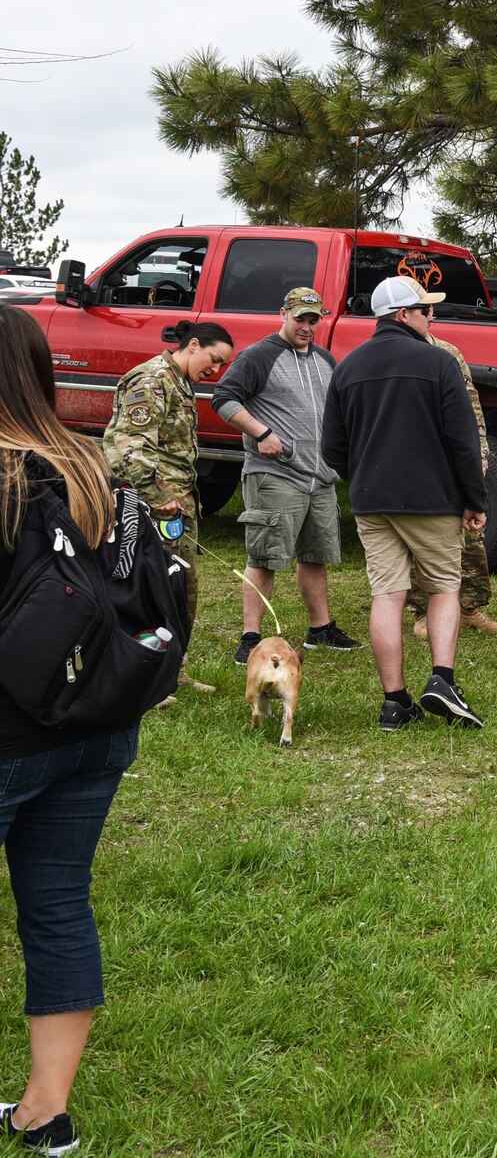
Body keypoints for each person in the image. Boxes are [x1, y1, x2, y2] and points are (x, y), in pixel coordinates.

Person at [0, 306, 143, 1157]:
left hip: (11, 733)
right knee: (57, 905)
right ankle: (45, 1113)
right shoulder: (89, 463)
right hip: (95, 724)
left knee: (57, 905)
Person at [321, 276, 488, 730]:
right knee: (443, 588)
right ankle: (443, 679)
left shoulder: (347, 367)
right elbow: (463, 441)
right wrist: (474, 497)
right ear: (403, 315)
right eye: (424, 310)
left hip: (371, 501)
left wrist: (366, 477)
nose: (431, 316)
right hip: (432, 499)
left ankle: (394, 701)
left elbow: (332, 448)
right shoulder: (437, 363)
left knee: (387, 595)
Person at [210, 288, 360, 663]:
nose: (307, 327)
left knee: (315, 555)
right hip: (275, 475)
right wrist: (261, 433)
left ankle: (320, 630)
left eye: (313, 320)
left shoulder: (325, 359)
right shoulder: (259, 356)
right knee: (264, 557)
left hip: (320, 478)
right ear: (283, 314)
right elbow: (223, 398)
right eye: (300, 319)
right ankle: (250, 638)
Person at [101, 318, 234, 693]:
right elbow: (131, 445)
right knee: (151, 588)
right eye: (214, 358)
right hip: (153, 505)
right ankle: (141, 673)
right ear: (192, 345)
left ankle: (171, 669)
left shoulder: (180, 382)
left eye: (222, 364)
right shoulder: (151, 380)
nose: (215, 369)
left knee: (180, 587)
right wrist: (159, 498)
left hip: (178, 504)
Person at [406, 331, 497, 641]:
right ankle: (423, 611)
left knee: (471, 535)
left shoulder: (448, 351)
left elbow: (471, 406)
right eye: (424, 309)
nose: (431, 316)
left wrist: (481, 455)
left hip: (456, 459)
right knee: (422, 538)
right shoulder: (403, 352)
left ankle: (470, 607)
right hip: (419, 460)